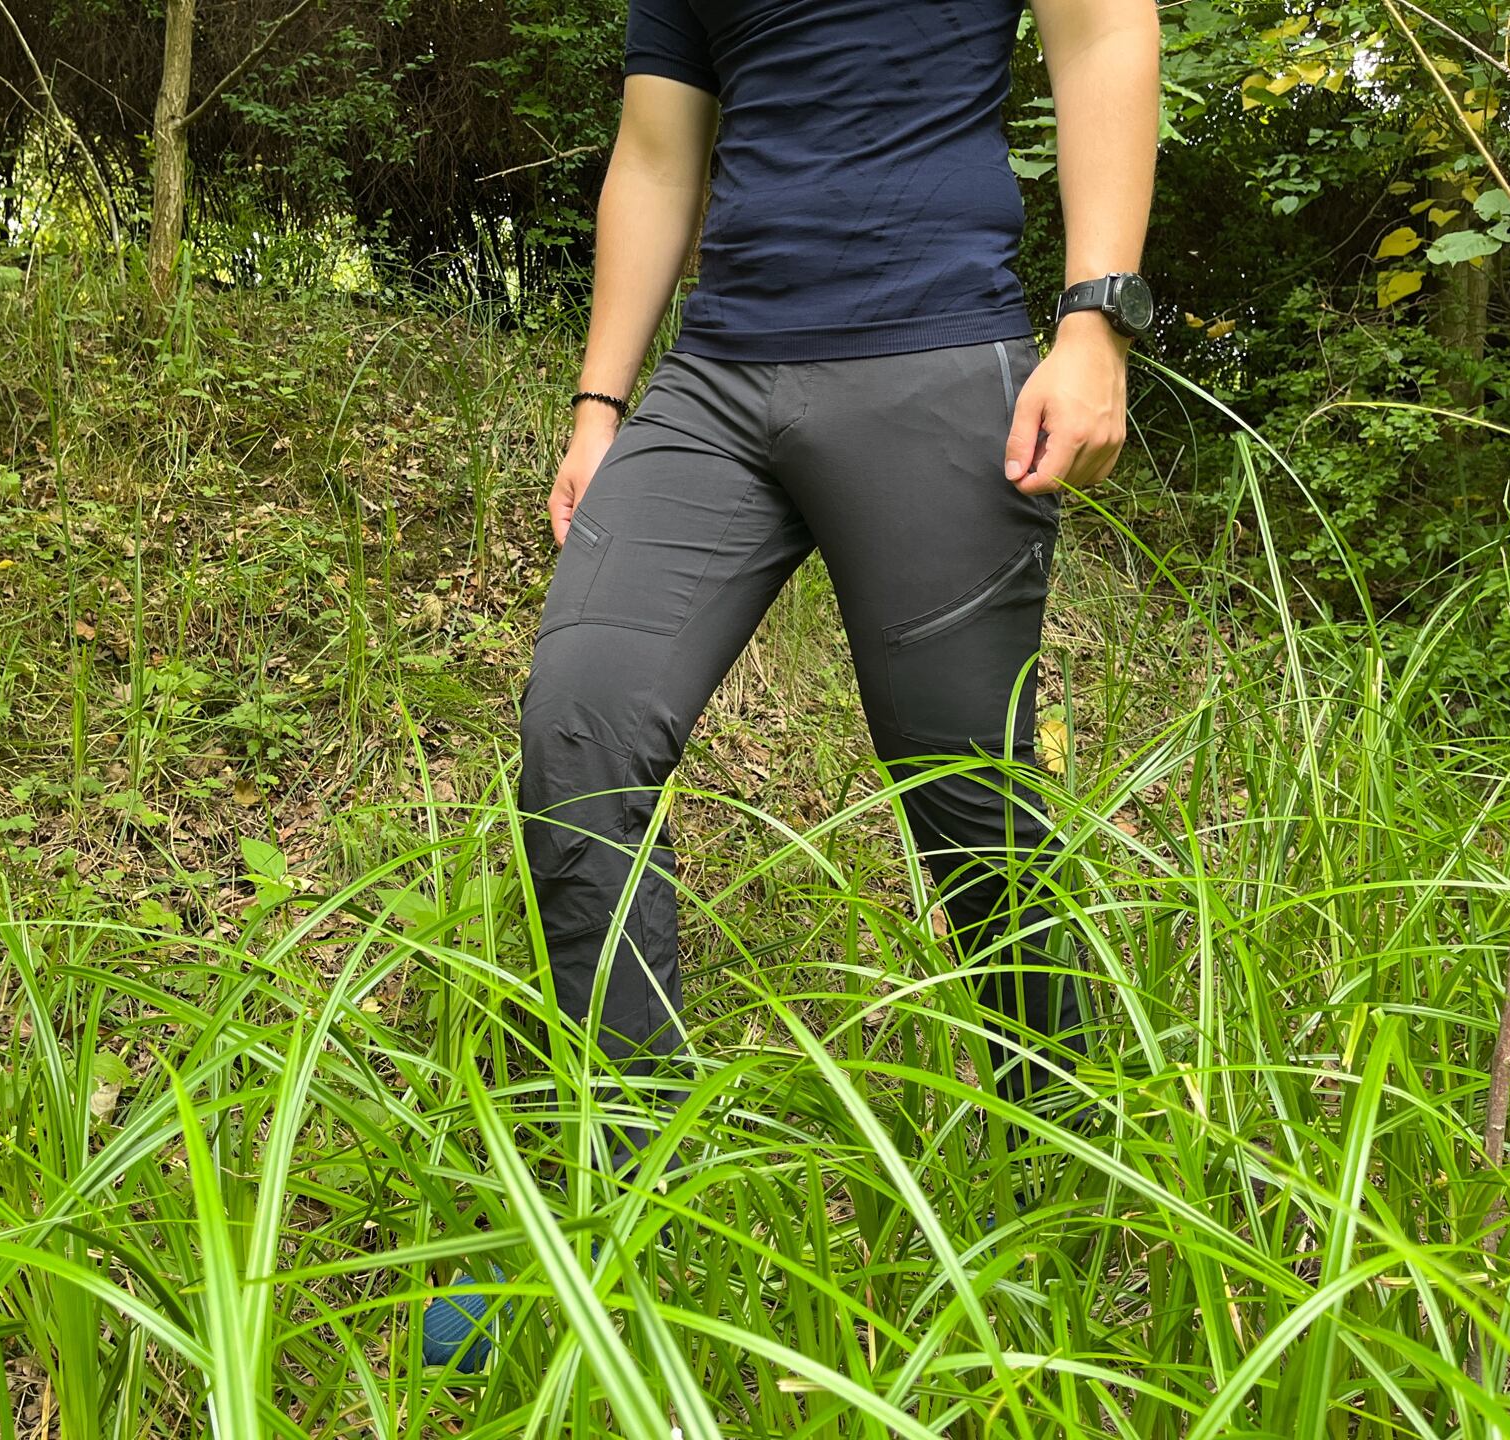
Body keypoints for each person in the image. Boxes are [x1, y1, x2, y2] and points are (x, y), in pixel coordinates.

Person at [423, 0, 1159, 1371]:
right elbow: (657, 153)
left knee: (969, 797)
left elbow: (1106, 33)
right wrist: (599, 405)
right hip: (716, 382)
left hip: (937, 358)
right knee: (578, 726)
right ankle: (607, 1196)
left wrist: (1095, 317)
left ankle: (1072, 1192)